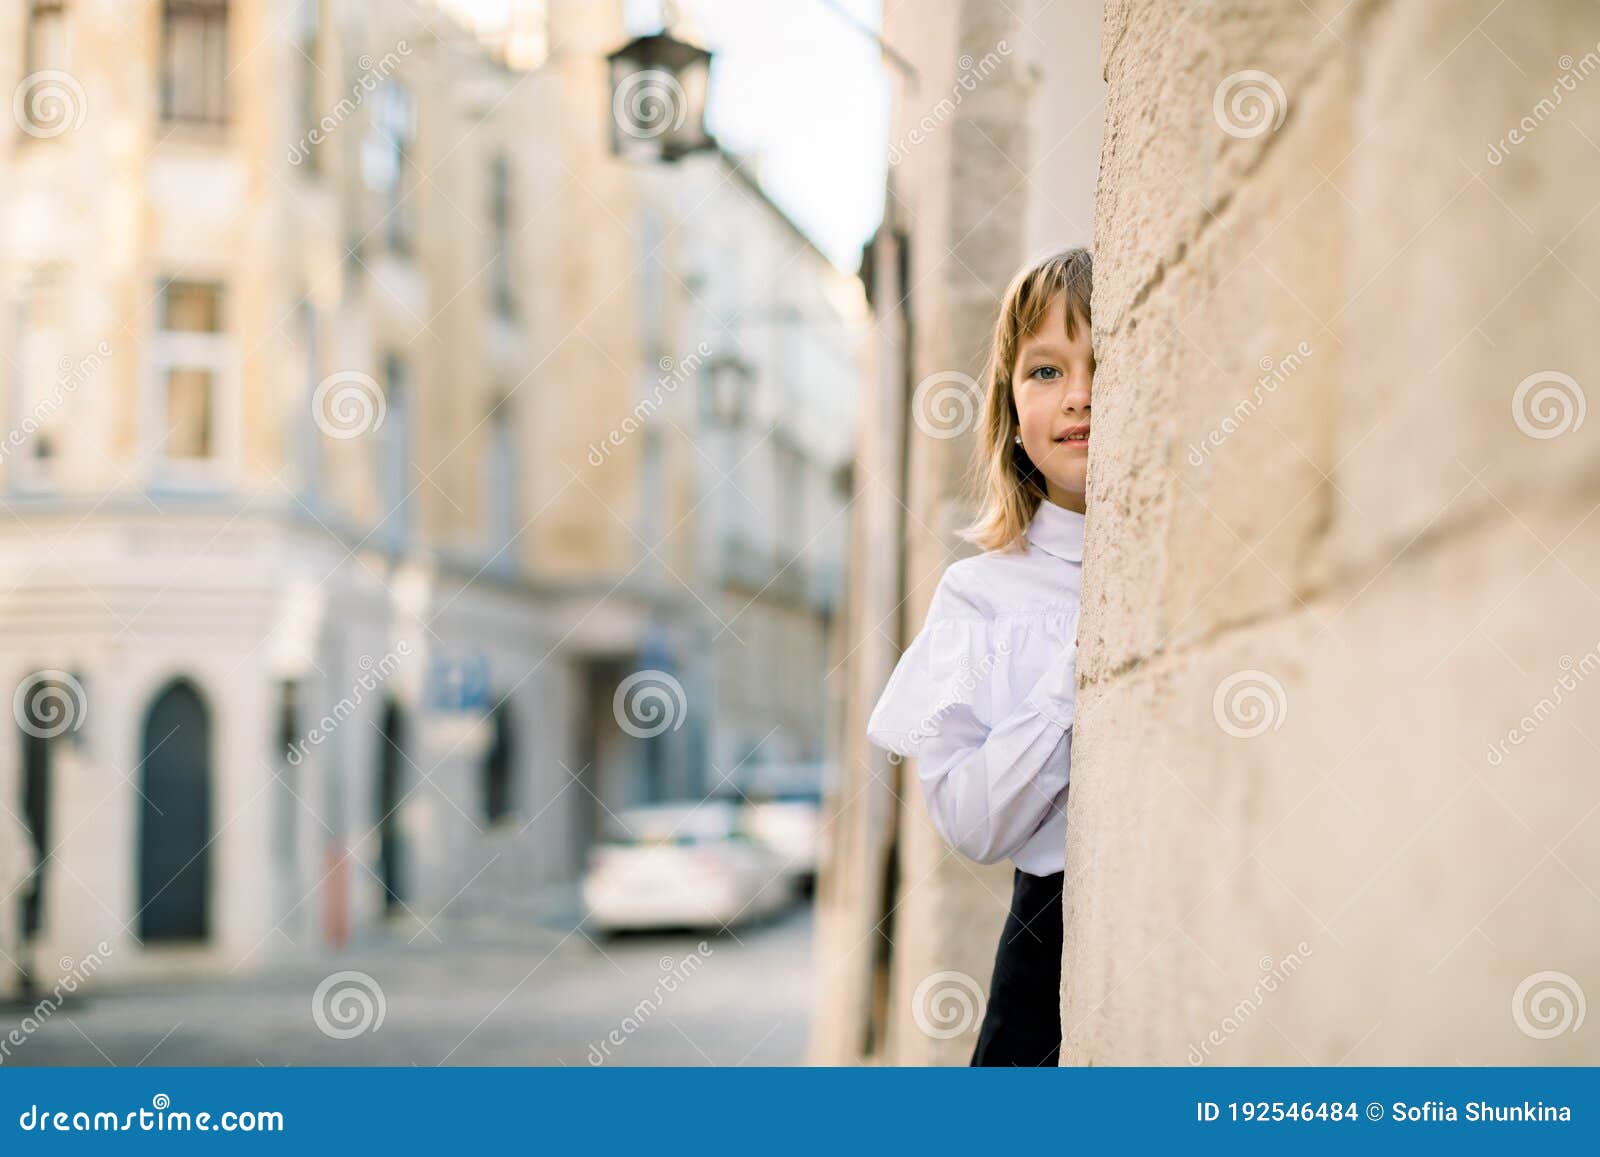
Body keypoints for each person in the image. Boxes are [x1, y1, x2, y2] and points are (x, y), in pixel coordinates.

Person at [867, 246, 1093, 1066]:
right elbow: (968, 818)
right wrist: (1070, 689)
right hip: (1046, 944)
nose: (1079, 397)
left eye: (1102, 363)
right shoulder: (979, 595)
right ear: (1008, 402)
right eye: (1045, 371)